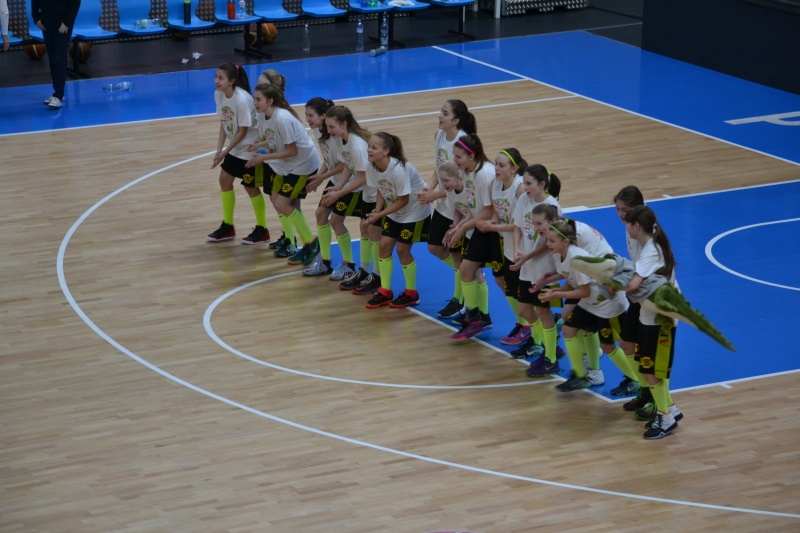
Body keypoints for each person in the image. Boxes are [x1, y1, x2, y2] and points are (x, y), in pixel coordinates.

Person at [537, 219, 629, 391]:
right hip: (591, 300)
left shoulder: (576, 258)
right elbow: (570, 279)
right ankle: (583, 375)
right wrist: (550, 283)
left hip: (606, 302)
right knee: (569, 329)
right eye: (547, 239)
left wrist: (556, 294)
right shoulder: (559, 254)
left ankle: (636, 380)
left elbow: (584, 291)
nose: (547, 243)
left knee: (609, 345)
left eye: (552, 240)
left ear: (565, 242)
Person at [620, 205, 683, 439]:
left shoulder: (651, 251)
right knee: (647, 367)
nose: (625, 226)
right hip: (650, 312)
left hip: (662, 317)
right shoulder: (648, 245)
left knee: (652, 369)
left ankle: (665, 417)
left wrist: (608, 281)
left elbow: (633, 284)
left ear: (636, 226)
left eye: (628, 223)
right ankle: (669, 409)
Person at [245, 83, 321, 266]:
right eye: (254, 98)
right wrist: (259, 145)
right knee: (279, 200)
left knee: (282, 203)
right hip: (288, 165)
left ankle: (311, 242)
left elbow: (292, 150)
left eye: (258, 99)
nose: (254, 102)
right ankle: (303, 244)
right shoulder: (263, 115)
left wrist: (263, 158)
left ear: (270, 101)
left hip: (303, 165)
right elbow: (272, 138)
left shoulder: (282, 119)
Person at [417, 99, 477, 320]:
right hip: (444, 205)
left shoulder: (462, 143)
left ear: (456, 120)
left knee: (456, 253)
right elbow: (439, 168)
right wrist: (430, 187)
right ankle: (465, 279)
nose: (439, 116)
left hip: (460, 206)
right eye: (441, 111)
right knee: (435, 247)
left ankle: (460, 299)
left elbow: (461, 183)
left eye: (444, 113)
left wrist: (434, 195)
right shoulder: (440, 135)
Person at [362, 132, 431, 308]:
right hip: (395, 209)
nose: (369, 150)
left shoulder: (398, 169)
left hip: (415, 211)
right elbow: (381, 188)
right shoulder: (371, 165)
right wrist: (377, 209)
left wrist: (380, 215)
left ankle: (411, 293)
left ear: (386, 151)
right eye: (369, 146)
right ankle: (385, 291)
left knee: (402, 250)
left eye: (374, 147)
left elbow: (404, 200)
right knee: (384, 247)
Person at [439, 133, 496, 341]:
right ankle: (478, 318)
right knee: (469, 270)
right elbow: (473, 207)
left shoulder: (483, 174)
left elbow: (489, 211)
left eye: (458, 157)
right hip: (477, 226)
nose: (454, 161)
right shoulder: (469, 173)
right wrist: (460, 225)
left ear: (471, 156)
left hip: (489, 228)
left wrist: (463, 228)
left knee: (497, 279)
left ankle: (477, 318)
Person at [319, 106, 379, 295]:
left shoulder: (357, 145)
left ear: (344, 124)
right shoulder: (342, 140)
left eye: (332, 127)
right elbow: (348, 165)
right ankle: (364, 272)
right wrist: (338, 186)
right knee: (365, 229)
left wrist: (339, 193)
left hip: (376, 192)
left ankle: (376, 276)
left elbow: (362, 177)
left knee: (373, 232)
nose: (328, 131)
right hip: (367, 192)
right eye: (327, 127)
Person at [206, 63, 268, 245]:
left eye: (221, 78)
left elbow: (242, 131)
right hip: (236, 147)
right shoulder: (219, 94)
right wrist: (219, 149)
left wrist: (225, 152)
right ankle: (227, 226)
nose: (216, 81)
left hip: (249, 149)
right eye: (216, 77)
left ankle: (262, 229)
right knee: (224, 180)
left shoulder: (242, 99)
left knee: (250, 187)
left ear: (232, 81)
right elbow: (224, 122)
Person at [509, 165, 562, 376]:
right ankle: (552, 347)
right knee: (524, 310)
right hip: (527, 265)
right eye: (523, 182)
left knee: (543, 311)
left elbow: (549, 243)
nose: (524, 187)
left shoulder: (552, 207)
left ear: (542, 184)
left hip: (544, 267)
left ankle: (551, 359)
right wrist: (517, 249)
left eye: (529, 183)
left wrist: (526, 257)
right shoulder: (524, 199)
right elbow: (517, 226)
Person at [474, 149, 527, 346]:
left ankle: (529, 325)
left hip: (523, 244)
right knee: (503, 282)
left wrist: (491, 227)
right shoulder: (494, 184)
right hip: (506, 241)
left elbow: (518, 225)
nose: (496, 168)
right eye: (496, 163)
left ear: (514, 169)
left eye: (501, 165)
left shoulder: (520, 189)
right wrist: (492, 222)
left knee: (520, 289)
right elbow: (496, 212)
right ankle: (523, 323)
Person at [302, 98, 354, 279]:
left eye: (311, 115)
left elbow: (345, 164)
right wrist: (319, 175)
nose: (307, 119)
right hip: (336, 179)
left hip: (351, 182)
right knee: (320, 214)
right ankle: (324, 262)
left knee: (336, 221)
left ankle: (349, 265)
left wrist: (322, 178)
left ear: (323, 116)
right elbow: (328, 158)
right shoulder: (319, 130)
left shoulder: (335, 134)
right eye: (306, 115)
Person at [610, 185, 647, 398]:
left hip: (650, 296)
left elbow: (646, 270)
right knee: (626, 342)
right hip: (638, 293)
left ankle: (651, 395)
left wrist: (620, 282)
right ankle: (641, 386)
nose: (621, 214)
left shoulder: (647, 233)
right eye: (618, 209)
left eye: (625, 209)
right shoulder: (630, 227)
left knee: (644, 350)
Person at [32, 0, 80, 109]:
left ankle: (58, 94)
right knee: (52, 57)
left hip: (63, 23)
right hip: (46, 22)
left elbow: (75, 2)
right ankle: (58, 92)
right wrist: (36, 16)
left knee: (58, 57)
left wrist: (67, 22)